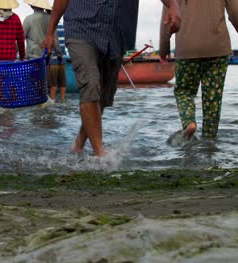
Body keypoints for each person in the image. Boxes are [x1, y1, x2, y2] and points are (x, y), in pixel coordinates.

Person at [42, 0, 181, 157]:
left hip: (117, 32)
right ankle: (100, 155)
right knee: (91, 85)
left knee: (102, 97)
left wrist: (173, 5)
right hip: (80, 26)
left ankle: (79, 143)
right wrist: (50, 33)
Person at [160, 0, 238, 140]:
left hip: (186, 48)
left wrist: (164, 46)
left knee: (184, 91)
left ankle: (189, 122)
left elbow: (168, 13)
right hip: (218, 48)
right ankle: (209, 143)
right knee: (213, 100)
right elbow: (235, 11)